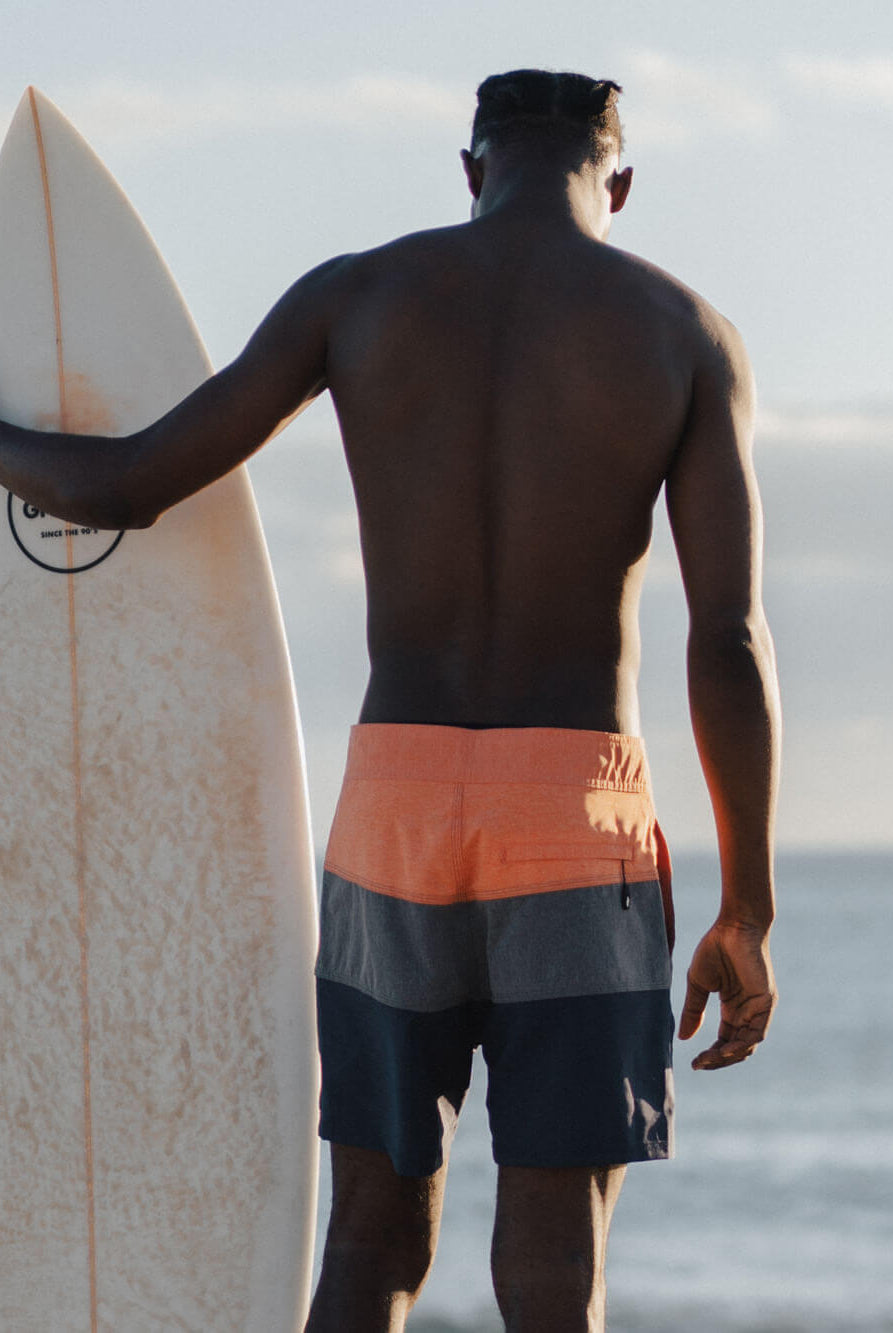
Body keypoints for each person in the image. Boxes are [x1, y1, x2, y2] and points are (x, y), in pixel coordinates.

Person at [0, 69, 780, 1333]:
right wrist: (747, 904)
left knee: (367, 1245)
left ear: (468, 172)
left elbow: (128, 482)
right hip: (573, 820)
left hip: (392, 814)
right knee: (551, 1267)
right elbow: (728, 637)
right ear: (617, 185)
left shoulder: (356, 293)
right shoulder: (679, 333)